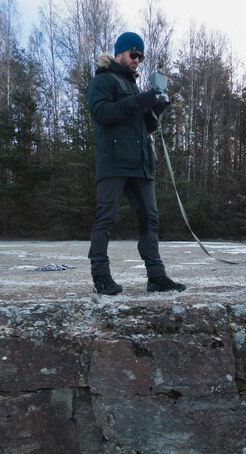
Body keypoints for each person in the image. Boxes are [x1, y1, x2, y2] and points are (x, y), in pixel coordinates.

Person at [86, 31, 186, 295]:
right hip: (114, 162)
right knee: (105, 217)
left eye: (140, 56)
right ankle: (101, 276)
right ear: (119, 53)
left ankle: (157, 277)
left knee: (150, 219)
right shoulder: (103, 80)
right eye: (133, 54)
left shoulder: (133, 86)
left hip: (140, 164)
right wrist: (137, 101)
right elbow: (101, 113)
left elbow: (145, 127)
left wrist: (156, 109)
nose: (137, 60)